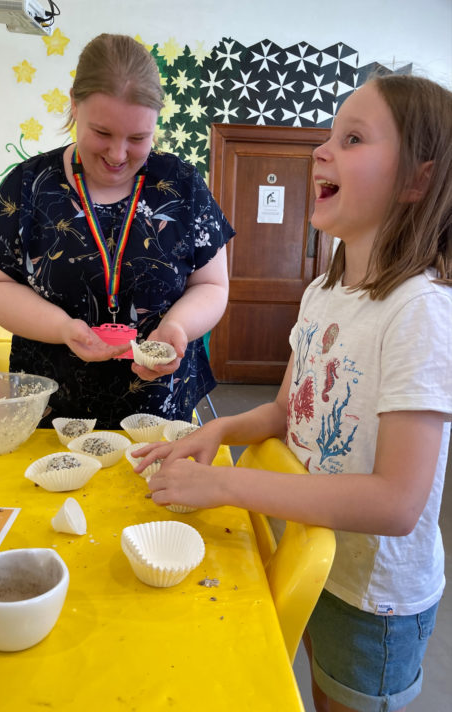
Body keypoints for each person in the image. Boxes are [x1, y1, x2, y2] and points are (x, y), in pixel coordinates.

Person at [135, 74, 452, 712]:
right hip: (313, 555)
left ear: (417, 181)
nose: (321, 151)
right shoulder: (322, 294)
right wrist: (219, 431)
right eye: (330, 134)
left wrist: (225, 485)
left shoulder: (420, 311)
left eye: (353, 138)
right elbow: (287, 411)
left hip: (372, 598)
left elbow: (397, 503)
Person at [0, 33, 234, 428]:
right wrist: (61, 328)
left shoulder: (182, 185)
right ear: (74, 104)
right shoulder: (29, 185)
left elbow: (212, 286)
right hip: (53, 408)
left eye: (139, 138)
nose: (118, 154)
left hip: (159, 408)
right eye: (103, 133)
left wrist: (176, 326)